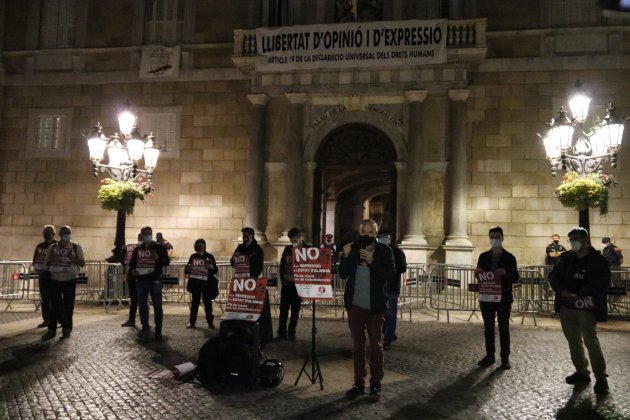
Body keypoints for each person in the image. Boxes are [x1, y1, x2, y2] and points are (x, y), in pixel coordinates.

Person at [339, 219, 396, 403]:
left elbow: (390, 275)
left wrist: (372, 262)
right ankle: (358, 382)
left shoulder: (384, 250)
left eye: (370, 232)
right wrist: (345, 257)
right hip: (355, 305)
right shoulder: (354, 248)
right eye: (363, 231)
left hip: (375, 306)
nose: (366, 235)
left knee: (376, 346)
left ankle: (376, 383)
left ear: (376, 233)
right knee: (357, 345)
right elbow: (343, 274)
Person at [549, 227, 610, 394]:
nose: (573, 242)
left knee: (591, 340)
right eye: (571, 239)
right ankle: (582, 371)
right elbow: (553, 276)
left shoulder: (597, 260)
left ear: (585, 239)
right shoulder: (567, 257)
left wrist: (581, 293)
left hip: (587, 307)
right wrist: (562, 291)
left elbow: (602, 282)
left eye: (576, 238)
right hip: (567, 305)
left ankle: (601, 377)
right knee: (573, 340)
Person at [475, 226, 519, 370]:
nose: (494, 239)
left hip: (503, 298)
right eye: (492, 236)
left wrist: (505, 272)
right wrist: (478, 272)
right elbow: (479, 274)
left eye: (497, 237)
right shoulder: (483, 257)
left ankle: (505, 358)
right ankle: (490, 356)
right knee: (488, 328)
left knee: (504, 328)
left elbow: (515, 278)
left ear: (502, 238)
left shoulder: (510, 257)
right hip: (487, 298)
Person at [230, 227, 273, 346]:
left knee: (256, 309)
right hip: (241, 283)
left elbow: (259, 266)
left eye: (247, 234)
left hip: (253, 282)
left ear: (252, 235)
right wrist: (235, 257)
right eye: (243, 234)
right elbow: (232, 263)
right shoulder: (240, 248)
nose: (244, 236)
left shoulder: (258, 249)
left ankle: (260, 336)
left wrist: (254, 276)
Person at [42, 226, 85, 340]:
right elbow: (46, 263)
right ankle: (52, 329)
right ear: (60, 235)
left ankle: (67, 328)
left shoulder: (76, 247)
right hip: (54, 280)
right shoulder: (52, 247)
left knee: (68, 305)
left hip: (69, 280)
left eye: (68, 233)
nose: (66, 235)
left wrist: (72, 258)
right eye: (64, 233)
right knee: (54, 306)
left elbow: (82, 263)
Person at [130, 226, 170, 341]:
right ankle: (145, 327)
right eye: (145, 234)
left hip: (155, 281)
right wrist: (133, 271)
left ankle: (158, 331)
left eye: (149, 233)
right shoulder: (137, 250)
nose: (148, 235)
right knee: (142, 306)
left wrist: (158, 258)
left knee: (157, 306)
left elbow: (166, 262)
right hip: (141, 281)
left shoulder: (159, 248)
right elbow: (133, 264)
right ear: (141, 235)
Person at [377, 229, 407, 350]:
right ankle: (389, 333)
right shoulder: (376, 250)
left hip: (391, 288)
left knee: (390, 313)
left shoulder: (397, 252)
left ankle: (387, 339)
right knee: (382, 313)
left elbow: (403, 267)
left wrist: (391, 266)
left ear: (390, 238)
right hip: (379, 287)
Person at [277, 227, 306, 341]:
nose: (292, 242)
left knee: (295, 311)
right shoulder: (288, 249)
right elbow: (282, 265)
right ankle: (281, 333)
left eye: (294, 239)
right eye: (291, 240)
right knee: (283, 310)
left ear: (300, 237)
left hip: (298, 285)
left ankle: (291, 332)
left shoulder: (306, 249)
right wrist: (283, 280)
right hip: (287, 284)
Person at [185, 239, 219, 329]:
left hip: (207, 284)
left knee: (208, 304)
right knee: (194, 304)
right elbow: (186, 270)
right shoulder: (193, 256)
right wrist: (189, 267)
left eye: (201, 245)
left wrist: (211, 267)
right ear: (195, 247)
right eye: (198, 245)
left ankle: (210, 322)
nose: (200, 247)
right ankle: (192, 322)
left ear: (204, 246)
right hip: (196, 284)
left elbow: (215, 269)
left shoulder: (209, 256)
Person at [32, 225, 57, 328]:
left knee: (55, 299)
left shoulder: (57, 246)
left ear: (53, 233)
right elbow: (35, 259)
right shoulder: (40, 246)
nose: (46, 234)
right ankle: (46, 319)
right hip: (43, 276)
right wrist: (37, 268)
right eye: (45, 232)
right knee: (45, 299)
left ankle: (56, 320)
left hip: (54, 276)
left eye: (48, 231)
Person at [121, 233, 142, 327]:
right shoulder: (133, 249)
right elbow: (124, 261)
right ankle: (132, 319)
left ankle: (143, 321)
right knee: (134, 299)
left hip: (142, 277)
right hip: (133, 277)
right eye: (140, 237)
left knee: (142, 300)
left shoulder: (150, 249)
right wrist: (123, 251)